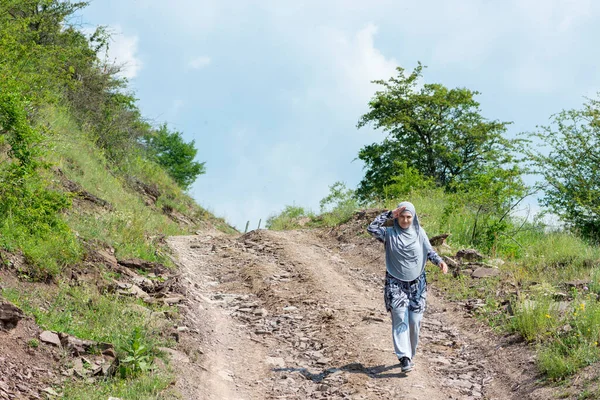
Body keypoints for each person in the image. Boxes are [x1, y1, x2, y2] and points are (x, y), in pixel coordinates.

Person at [367, 201, 448, 373]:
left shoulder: (420, 233)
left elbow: (429, 251)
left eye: (408, 217)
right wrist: (390, 214)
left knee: (414, 321)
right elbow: (371, 228)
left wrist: (440, 262)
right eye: (402, 217)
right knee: (399, 316)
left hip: (417, 284)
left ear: (413, 217)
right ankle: (404, 357)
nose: (405, 220)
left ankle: (410, 352)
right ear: (398, 217)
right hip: (395, 283)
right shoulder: (388, 233)